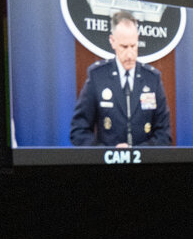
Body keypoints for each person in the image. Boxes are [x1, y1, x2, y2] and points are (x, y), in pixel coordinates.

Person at [69, 11, 171, 147]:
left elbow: (164, 133)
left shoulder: (152, 79)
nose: (130, 54)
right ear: (112, 41)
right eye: (124, 47)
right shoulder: (98, 76)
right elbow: (79, 131)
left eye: (133, 46)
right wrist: (108, 152)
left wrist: (136, 152)